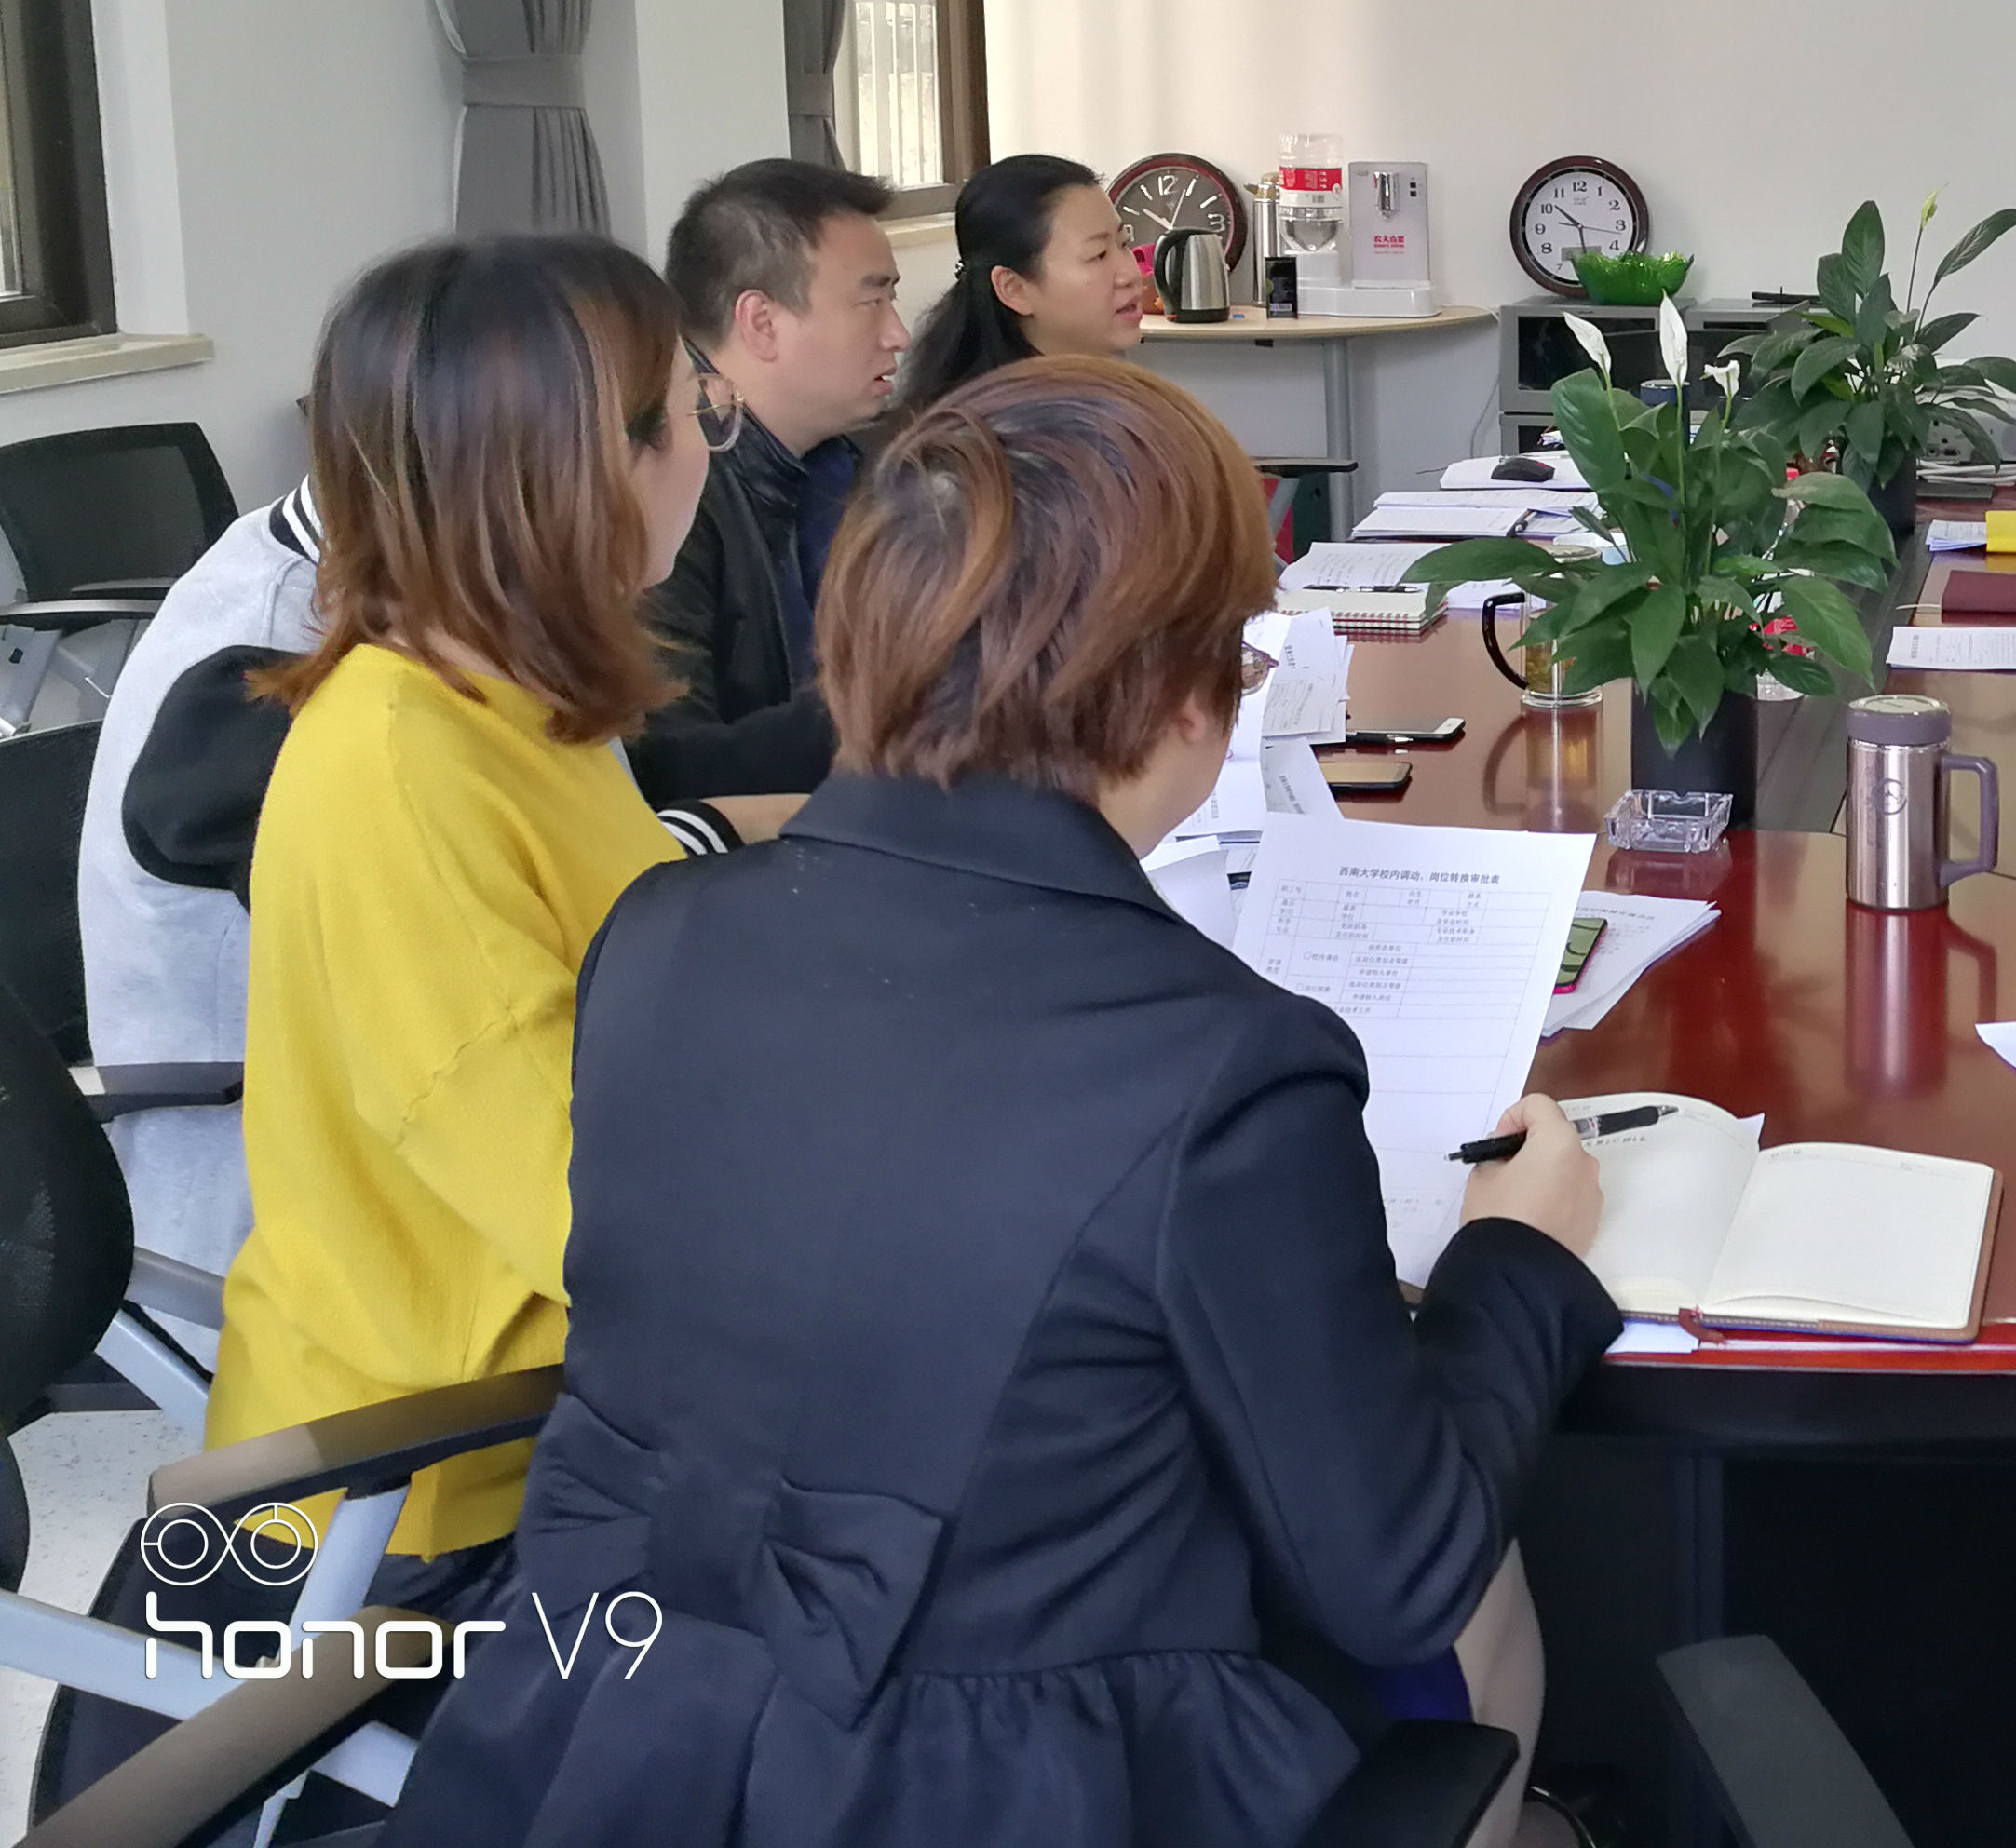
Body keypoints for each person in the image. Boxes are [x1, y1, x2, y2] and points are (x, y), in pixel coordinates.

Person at [388, 360, 1620, 1848]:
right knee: (1482, 1608)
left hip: (604, 1742)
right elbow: (1396, 1571)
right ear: (1187, 696)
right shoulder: (1227, 1066)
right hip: (999, 1783)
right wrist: (1517, 1262)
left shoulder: (657, 938)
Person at [210, 236, 765, 1582]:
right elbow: (600, 1220)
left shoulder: (507, 694)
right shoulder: (405, 769)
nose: (710, 450)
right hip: (443, 1493)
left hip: (571, 1397)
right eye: (697, 412)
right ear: (592, 467)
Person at [642, 157, 909, 790]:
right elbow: (668, 766)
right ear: (761, 322)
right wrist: (896, 705)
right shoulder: (661, 495)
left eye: (892, 301)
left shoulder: (859, 461)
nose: (898, 335)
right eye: (871, 302)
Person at [897, 152, 1149, 406]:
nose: (1130, 274)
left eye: (1124, 243)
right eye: (1098, 255)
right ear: (1014, 289)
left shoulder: (1110, 394)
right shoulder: (1000, 422)